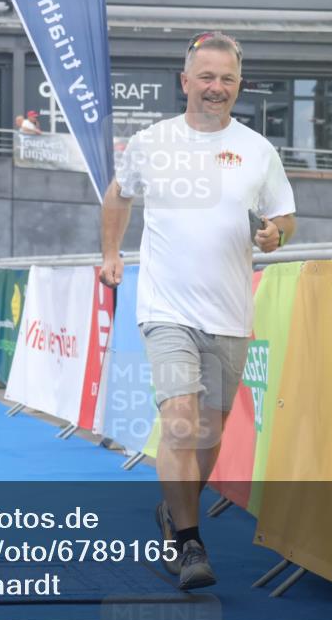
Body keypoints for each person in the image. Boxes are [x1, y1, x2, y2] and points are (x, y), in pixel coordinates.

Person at [99, 31, 296, 590]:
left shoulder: (259, 149)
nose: (216, 88)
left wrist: (275, 234)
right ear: (185, 82)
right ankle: (188, 545)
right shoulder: (152, 141)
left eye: (227, 79)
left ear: (238, 85)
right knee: (180, 421)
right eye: (205, 77)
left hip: (230, 312)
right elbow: (119, 194)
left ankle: (175, 511)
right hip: (166, 308)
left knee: (208, 433)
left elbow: (284, 216)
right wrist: (111, 254)